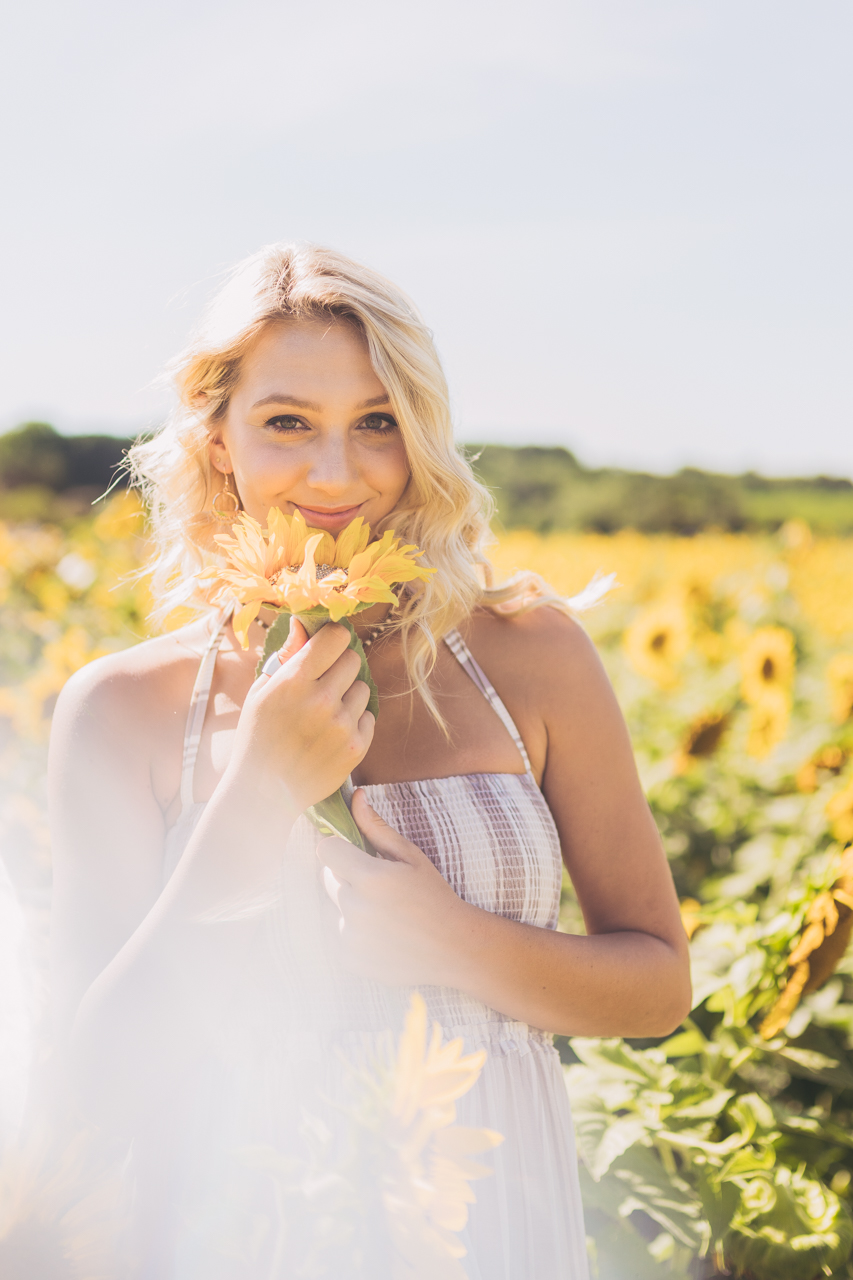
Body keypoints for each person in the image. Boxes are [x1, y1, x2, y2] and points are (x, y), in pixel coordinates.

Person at [47, 243, 691, 1278]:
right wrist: (253, 800)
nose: (338, 474)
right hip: (241, 1231)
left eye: (378, 422)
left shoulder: (528, 654)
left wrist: (454, 941)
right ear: (219, 442)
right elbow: (92, 1088)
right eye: (288, 422)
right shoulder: (120, 710)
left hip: (490, 1218)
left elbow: (657, 985)